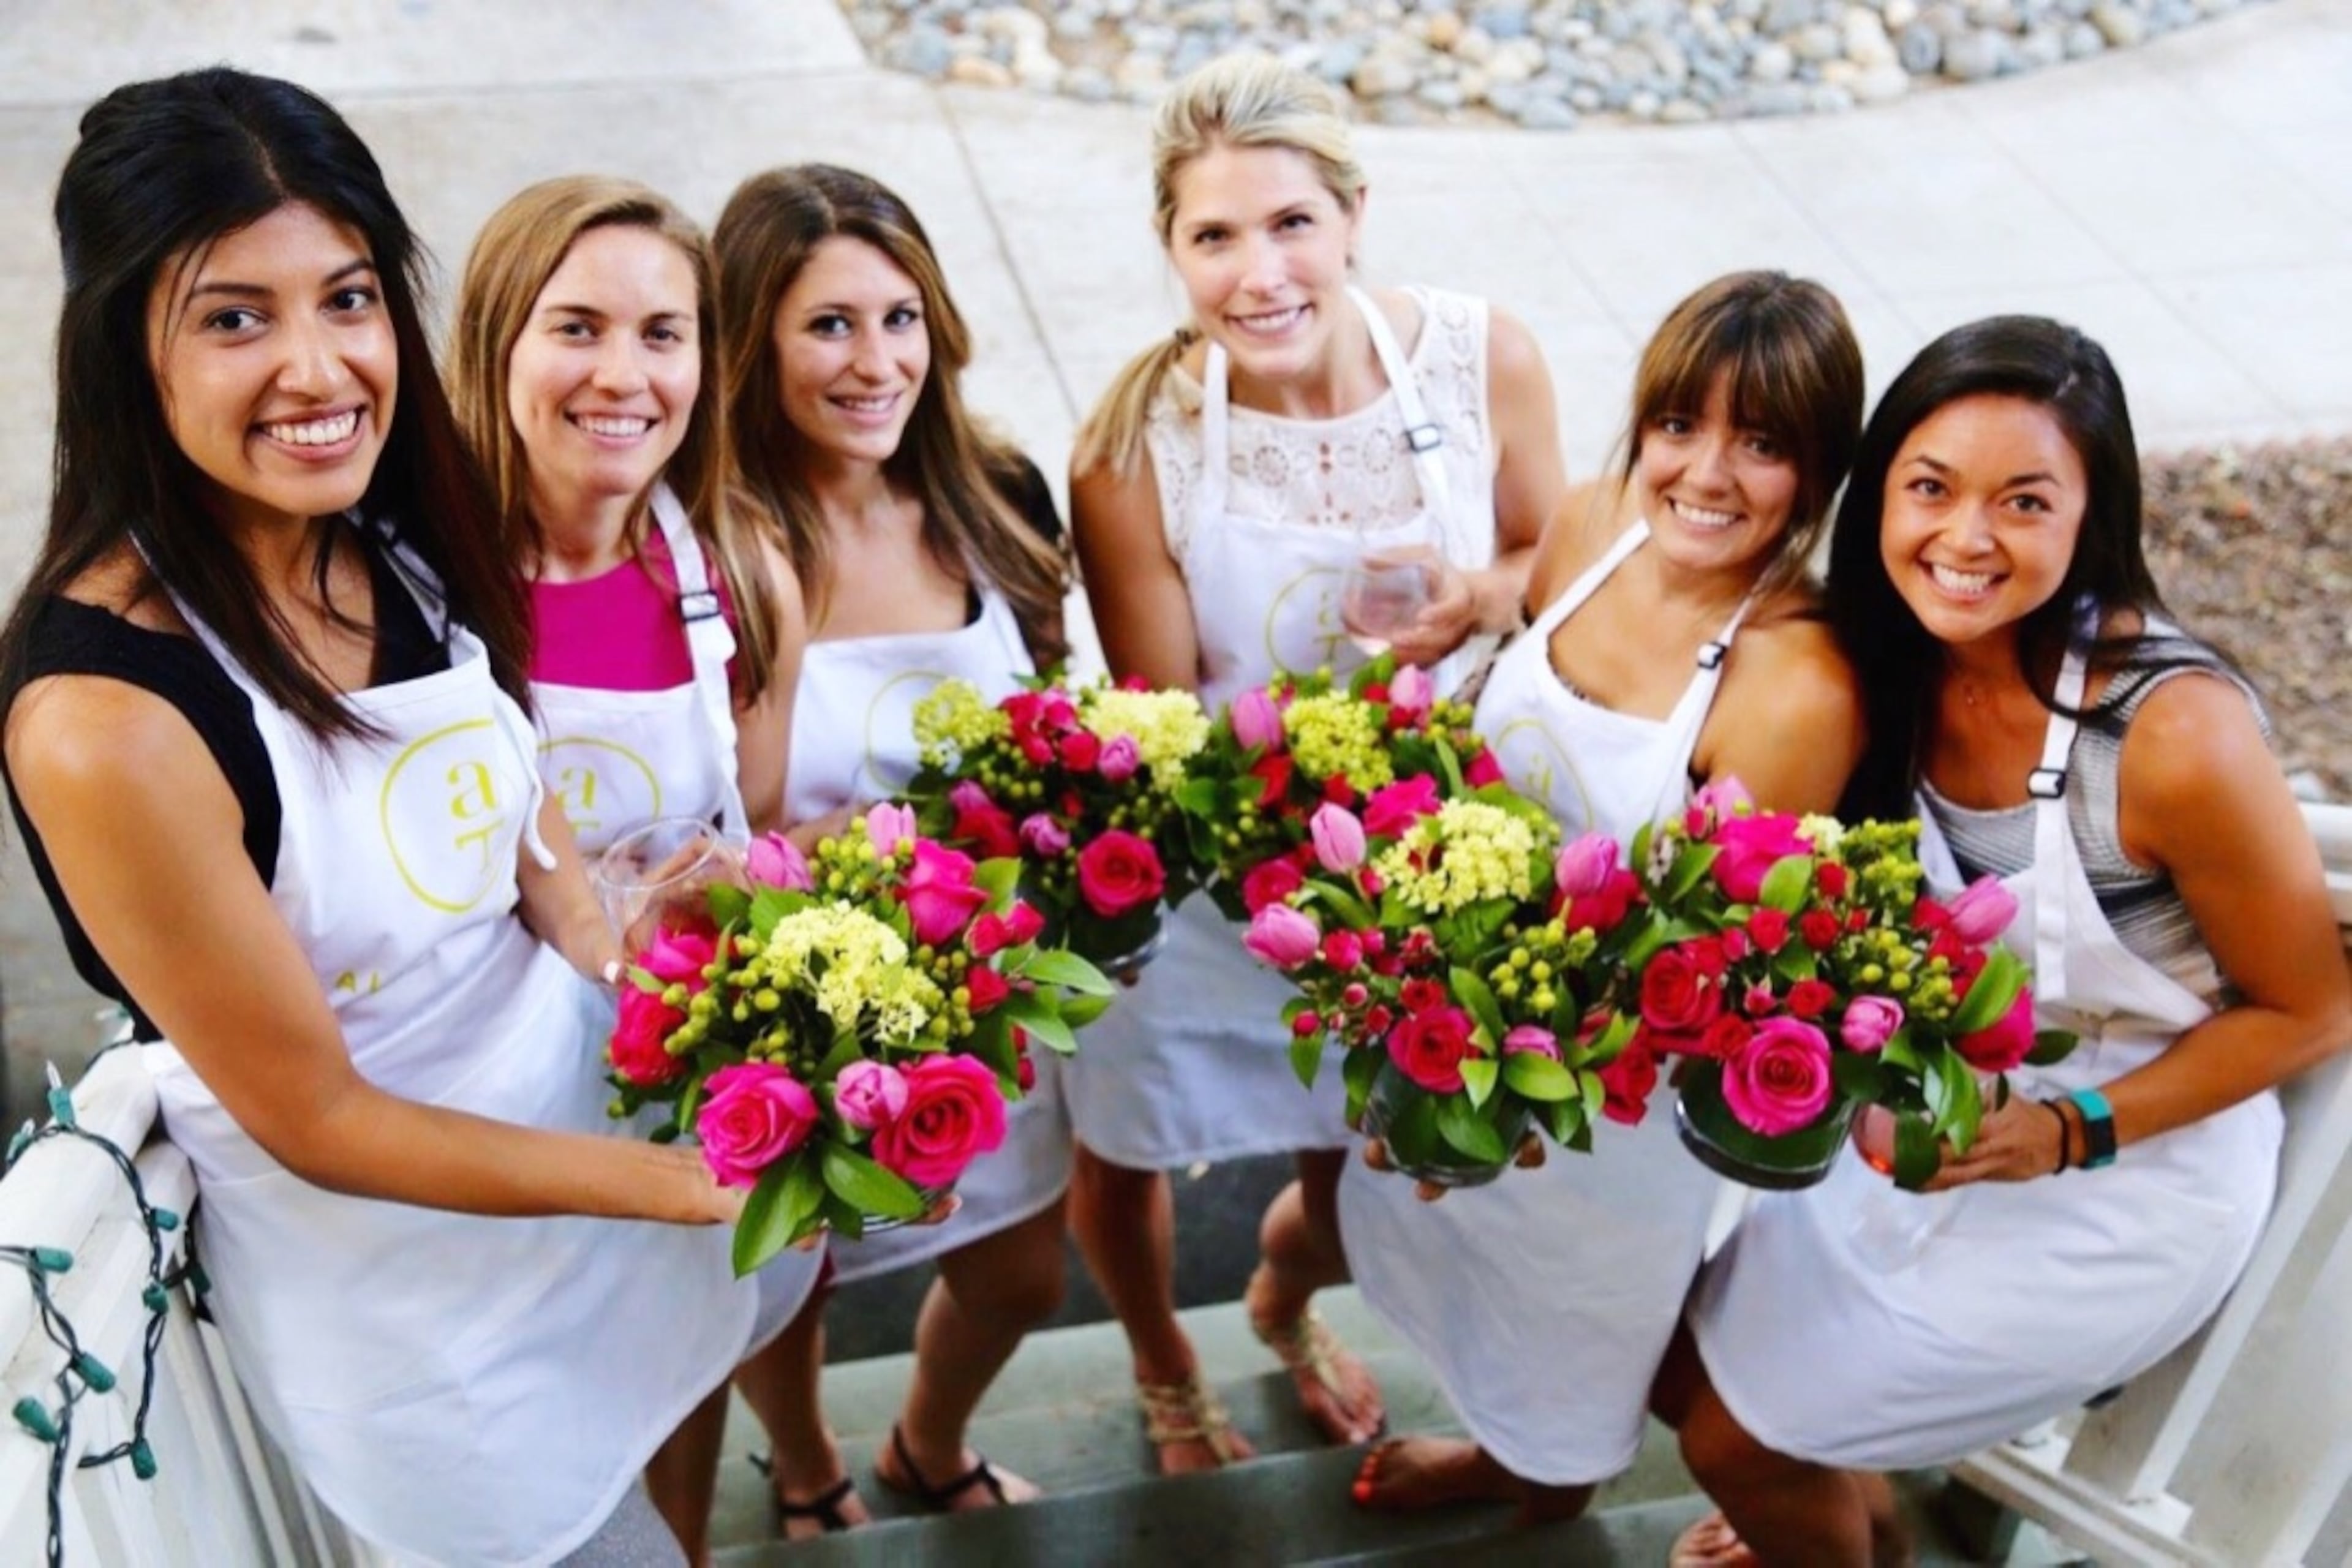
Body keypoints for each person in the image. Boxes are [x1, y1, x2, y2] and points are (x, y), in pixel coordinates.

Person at [0, 69, 756, 1566]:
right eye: (233, 316)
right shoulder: (105, 717)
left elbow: (505, 765)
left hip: (584, 1187)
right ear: (117, 352)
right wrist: (692, 1179)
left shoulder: (398, 520)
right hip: (424, 1323)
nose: (317, 366)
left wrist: (610, 938)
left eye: (348, 297)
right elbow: (320, 1117)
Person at [1660, 316, 2352, 1567]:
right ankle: (1847, 1524)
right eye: (1930, 488)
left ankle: (1814, 1511)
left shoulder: (2172, 735)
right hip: (1936, 1106)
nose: (1966, 539)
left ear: (2092, 516)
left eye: (2024, 502)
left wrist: (2063, 1130)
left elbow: (2314, 1008)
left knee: (1729, 1436)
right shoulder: (1883, 660)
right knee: (1667, 1360)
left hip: (2133, 1162)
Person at [1063, 51, 1572, 1473]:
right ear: (1171, 248)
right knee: (1132, 1133)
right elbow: (1162, 706)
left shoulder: (1487, 355)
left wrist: (1478, 597)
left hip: (1435, 851)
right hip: (1223, 861)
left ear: (1352, 214)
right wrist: (1304, 804)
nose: (1258, 271)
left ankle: (1283, 1297)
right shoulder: (1128, 445)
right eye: (1212, 234)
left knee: (1364, 1138)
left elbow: (1558, 558)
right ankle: (1166, 1361)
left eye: (1290, 222)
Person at [1340, 270, 1868, 1525]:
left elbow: (1706, 961)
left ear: (1823, 467)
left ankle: (1547, 1474)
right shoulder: (1587, 527)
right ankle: (1505, 1444)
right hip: (1463, 1007)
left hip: (1604, 1092)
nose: (1705, 474)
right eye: (1681, 425)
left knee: (1569, 1319)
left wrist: (1497, 1096)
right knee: (1462, 1269)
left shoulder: (1797, 685)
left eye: (1764, 444)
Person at [447, 175, 824, 1562]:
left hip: (676, 1084)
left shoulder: (736, 567)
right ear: (497, 344)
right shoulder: (415, 582)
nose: (625, 374)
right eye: (578, 327)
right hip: (498, 1105)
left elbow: (762, 824)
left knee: (684, 1342)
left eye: (664, 335)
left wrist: (737, 885)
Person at [709, 162, 1075, 1532]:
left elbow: (1050, 710)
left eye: (901, 316)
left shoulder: (999, 494)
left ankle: (931, 1439)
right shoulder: (725, 548)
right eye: (829, 327)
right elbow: (709, 815)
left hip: (987, 977)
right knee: (787, 1277)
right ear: (756, 345)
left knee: (1024, 1267)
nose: (879, 363)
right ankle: (805, 1468)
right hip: (804, 993)